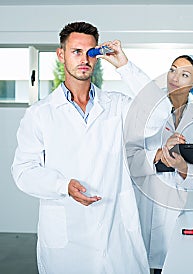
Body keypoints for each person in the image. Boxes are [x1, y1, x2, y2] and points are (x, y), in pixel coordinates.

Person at [11, 21, 170, 274]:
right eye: (76, 51)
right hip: (67, 240)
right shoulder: (39, 114)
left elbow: (161, 113)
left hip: (116, 234)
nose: (84, 59)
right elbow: (23, 172)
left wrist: (124, 66)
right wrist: (62, 186)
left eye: (91, 52)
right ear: (61, 54)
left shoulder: (117, 106)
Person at [125, 55, 193, 273]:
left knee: (171, 264)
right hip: (142, 201)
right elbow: (127, 159)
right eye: (172, 70)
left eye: (185, 75)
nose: (175, 78)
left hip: (175, 208)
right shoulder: (144, 111)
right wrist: (158, 155)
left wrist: (183, 167)